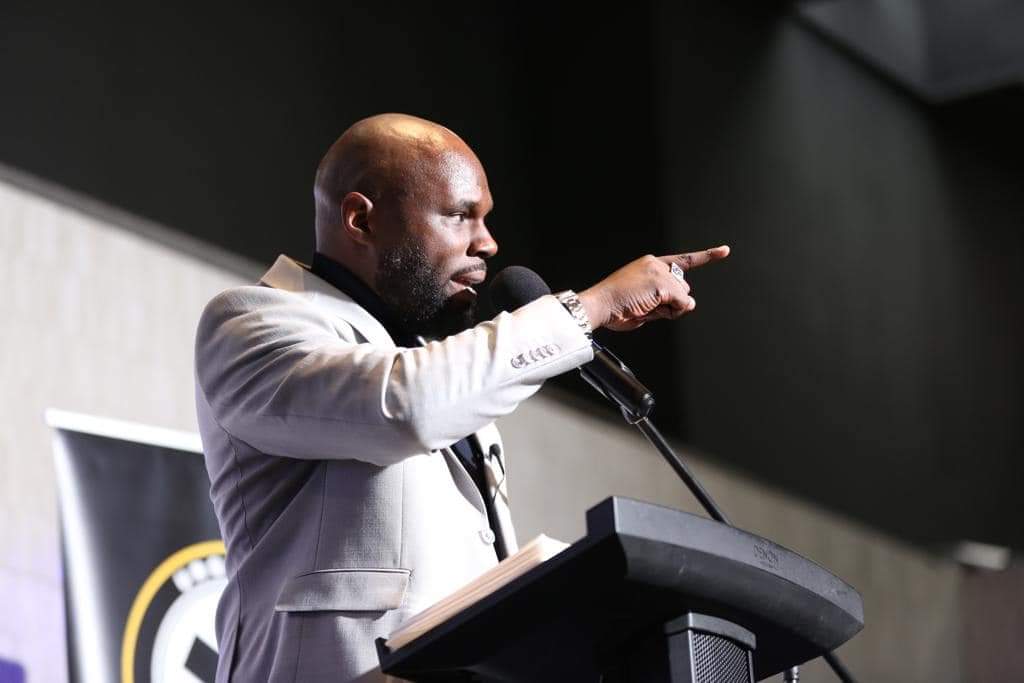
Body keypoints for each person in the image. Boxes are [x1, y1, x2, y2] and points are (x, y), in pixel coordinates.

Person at [194, 113, 729, 682]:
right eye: (459, 215)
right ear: (360, 219)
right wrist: (589, 308)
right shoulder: (253, 323)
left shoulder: (439, 367)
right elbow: (404, 406)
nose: (488, 242)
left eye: (486, 218)